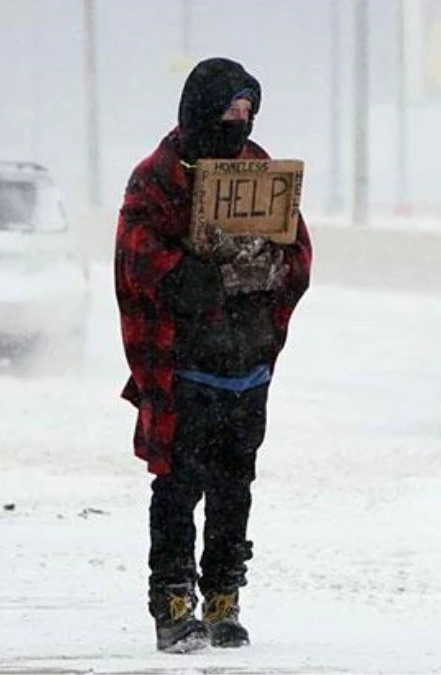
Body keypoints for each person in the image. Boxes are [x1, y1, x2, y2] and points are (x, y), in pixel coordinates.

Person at [114, 57, 312, 654]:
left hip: (245, 365)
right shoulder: (156, 177)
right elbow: (136, 257)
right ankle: (174, 603)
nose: (239, 123)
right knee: (178, 486)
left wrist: (270, 267)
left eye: (248, 113)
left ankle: (224, 597)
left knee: (235, 487)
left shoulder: (258, 171)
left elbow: (298, 249)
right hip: (183, 365)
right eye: (229, 111)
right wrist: (188, 277)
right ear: (201, 109)